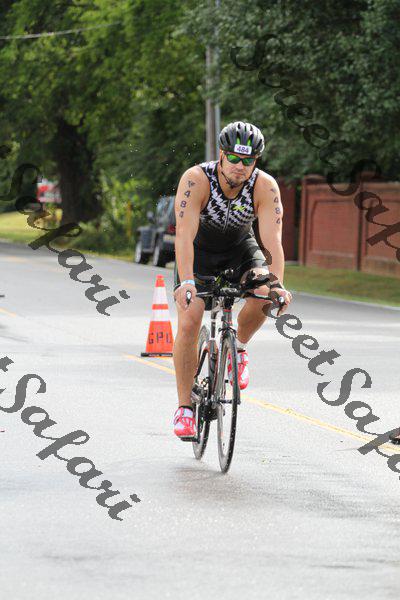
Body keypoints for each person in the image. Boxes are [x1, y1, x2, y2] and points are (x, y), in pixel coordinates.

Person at [172, 121, 293, 440]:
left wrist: (277, 284)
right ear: (222, 155)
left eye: (248, 160)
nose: (240, 166)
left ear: (256, 161)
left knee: (265, 292)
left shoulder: (264, 186)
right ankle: (184, 408)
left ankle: (238, 347)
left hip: (240, 250)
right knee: (189, 320)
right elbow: (183, 234)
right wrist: (187, 281)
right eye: (235, 158)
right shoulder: (197, 179)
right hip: (199, 253)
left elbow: (272, 241)